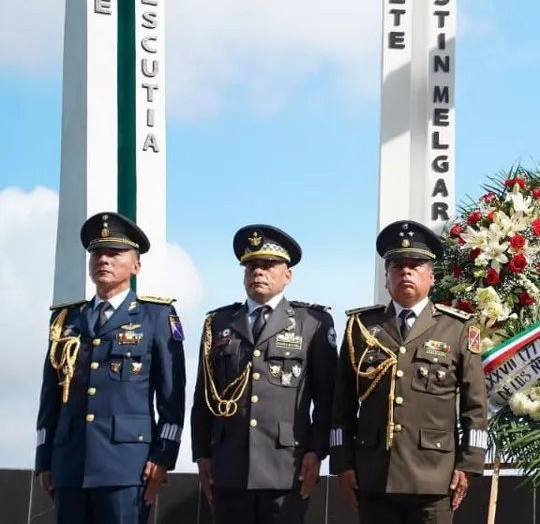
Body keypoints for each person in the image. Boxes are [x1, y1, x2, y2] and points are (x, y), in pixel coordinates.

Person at [330, 219, 489, 524]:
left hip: (434, 478)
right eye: (396, 266)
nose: (405, 271)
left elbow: (475, 407)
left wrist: (469, 464)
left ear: (431, 276)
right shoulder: (362, 328)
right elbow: (343, 405)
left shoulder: (457, 329)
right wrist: (341, 462)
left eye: (415, 265)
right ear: (387, 278)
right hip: (374, 475)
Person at [34, 211, 188, 524]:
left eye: (114, 253)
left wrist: (163, 455)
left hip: (126, 466)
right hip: (69, 464)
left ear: (136, 265)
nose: (103, 259)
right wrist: (44, 457)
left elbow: (172, 396)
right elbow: (50, 395)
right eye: (97, 253)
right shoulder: (66, 319)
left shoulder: (155, 316)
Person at [190, 224, 338, 524]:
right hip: (229, 464)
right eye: (251, 266)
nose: (258, 272)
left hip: (287, 465)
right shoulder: (218, 323)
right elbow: (203, 396)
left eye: (268, 265)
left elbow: (327, 397)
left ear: (288, 275)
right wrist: (202, 454)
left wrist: (316, 451)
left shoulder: (312, 323)